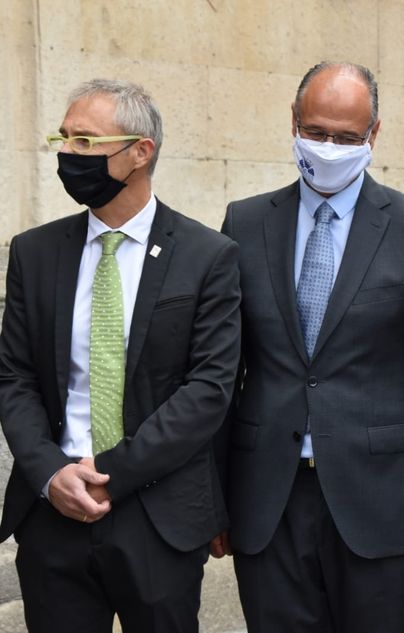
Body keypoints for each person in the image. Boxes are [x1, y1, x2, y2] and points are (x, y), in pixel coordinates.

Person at [215, 61, 404, 633]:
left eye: (347, 137)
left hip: (381, 502)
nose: (329, 148)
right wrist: (212, 497)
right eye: (316, 132)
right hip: (268, 501)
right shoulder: (245, 221)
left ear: (374, 135)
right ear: (293, 122)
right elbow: (222, 374)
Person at [0, 79, 241, 633]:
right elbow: (13, 376)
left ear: (141, 151)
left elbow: (208, 390)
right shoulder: (35, 253)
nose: (67, 154)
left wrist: (106, 471)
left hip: (157, 517)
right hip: (53, 514)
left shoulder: (208, 256)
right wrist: (49, 471)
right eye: (63, 139)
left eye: (85, 141)